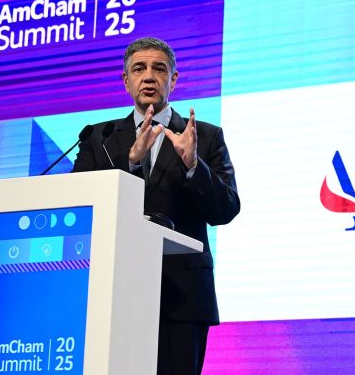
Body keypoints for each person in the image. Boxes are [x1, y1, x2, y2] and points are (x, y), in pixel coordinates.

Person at [72, 37, 240, 374]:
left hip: (183, 297)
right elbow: (78, 205)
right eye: (139, 69)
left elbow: (226, 209)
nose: (149, 76)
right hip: (112, 292)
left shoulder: (204, 136)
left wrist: (194, 166)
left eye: (159, 69)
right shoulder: (98, 138)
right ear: (126, 80)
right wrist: (130, 163)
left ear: (173, 79)